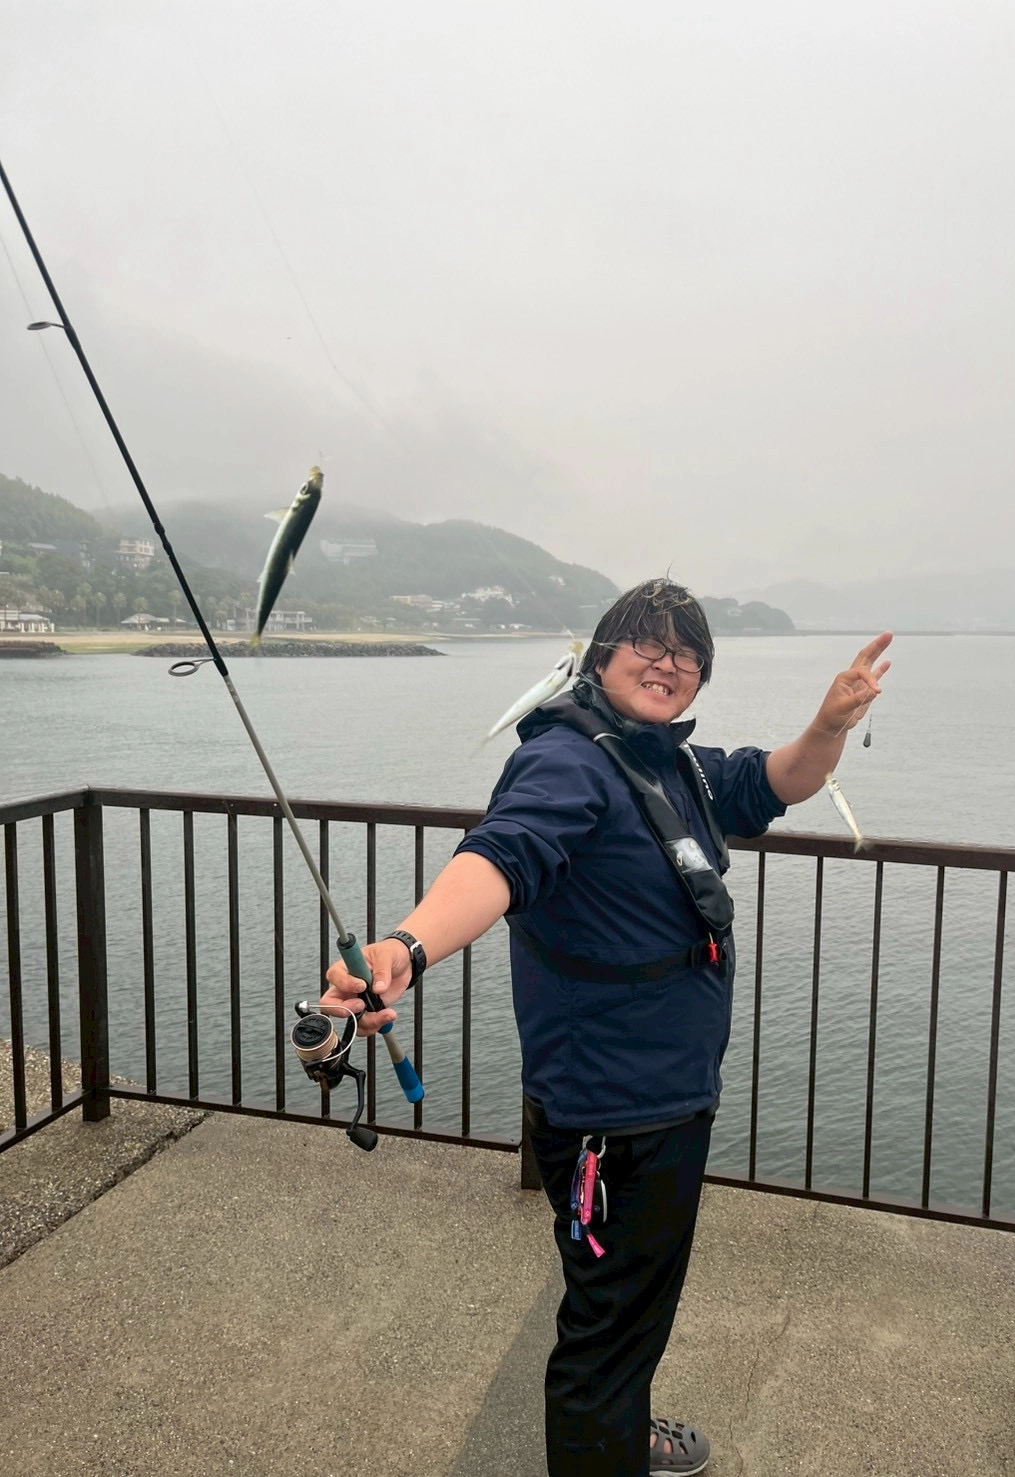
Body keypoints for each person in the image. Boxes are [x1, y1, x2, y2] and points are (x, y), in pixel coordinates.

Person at [321, 578, 892, 1477]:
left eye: (687, 652)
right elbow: (502, 853)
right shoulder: (570, 763)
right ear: (600, 655)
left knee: (628, 1311)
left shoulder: (671, 764)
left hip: (661, 1095)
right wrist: (408, 945)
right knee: (605, 1332)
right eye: (647, 643)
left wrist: (827, 725)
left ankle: (626, 1430)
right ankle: (608, 1440)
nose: (669, 662)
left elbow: (776, 780)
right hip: (613, 1115)